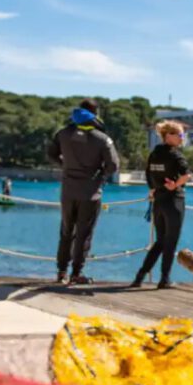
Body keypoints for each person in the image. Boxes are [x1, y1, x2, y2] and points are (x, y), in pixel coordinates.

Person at [46, 98, 119, 285]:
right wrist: (100, 175)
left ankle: (61, 272)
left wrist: (65, 166)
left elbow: (51, 153)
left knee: (66, 231)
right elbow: (113, 165)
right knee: (84, 233)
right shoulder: (102, 139)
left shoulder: (63, 133)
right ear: (96, 114)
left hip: (68, 190)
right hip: (90, 192)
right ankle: (76, 273)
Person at [131, 121, 192, 289]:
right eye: (180, 135)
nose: (182, 139)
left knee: (160, 242)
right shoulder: (175, 155)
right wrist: (176, 184)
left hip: (158, 201)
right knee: (170, 242)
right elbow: (186, 175)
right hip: (174, 201)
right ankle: (164, 279)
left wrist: (152, 190)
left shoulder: (154, 154)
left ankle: (140, 276)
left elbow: (148, 175)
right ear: (169, 136)